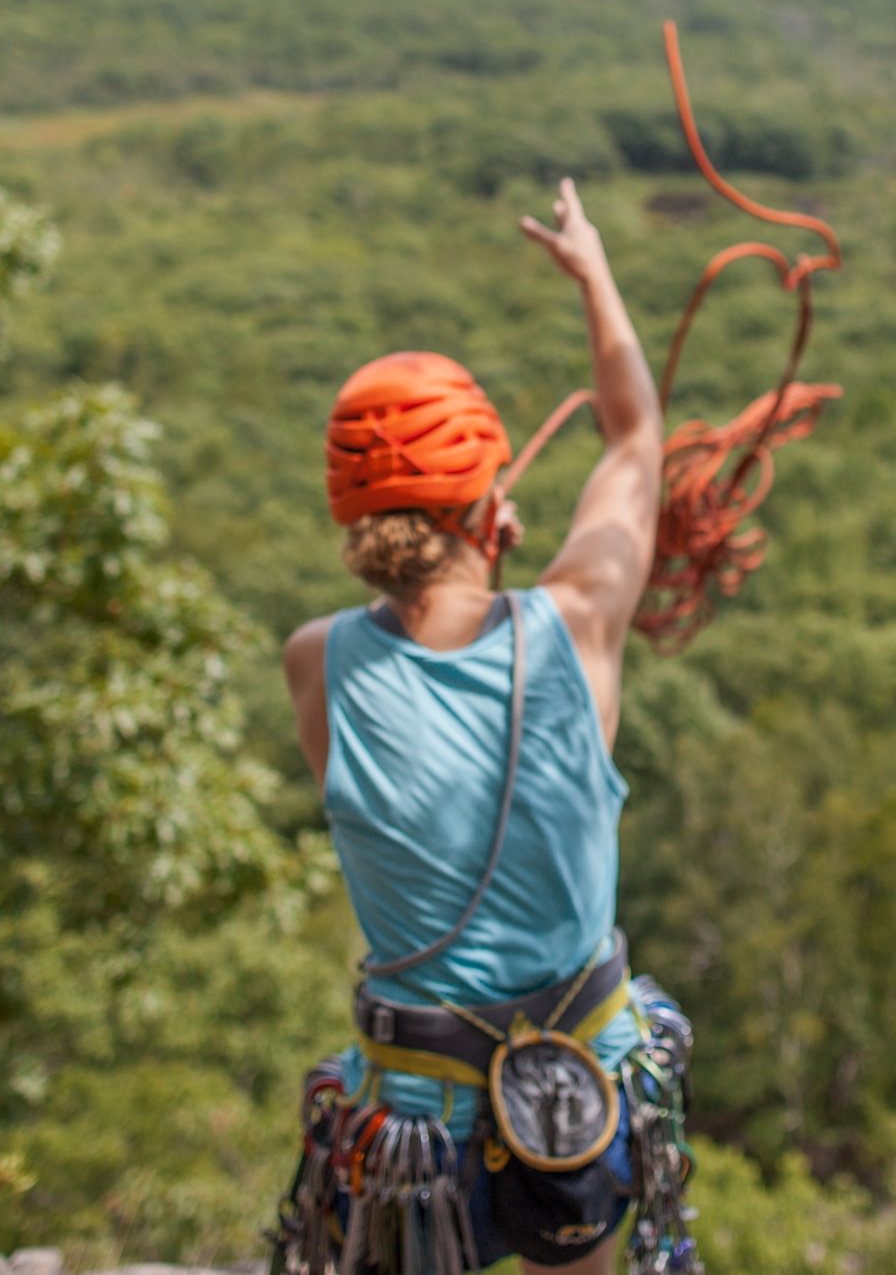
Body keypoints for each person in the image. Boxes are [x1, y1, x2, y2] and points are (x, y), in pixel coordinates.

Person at [275, 179, 694, 1275]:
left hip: (411, 1126)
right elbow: (637, 436)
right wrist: (593, 271)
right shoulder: (581, 625)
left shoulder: (316, 660)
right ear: (488, 509)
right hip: (574, 1101)